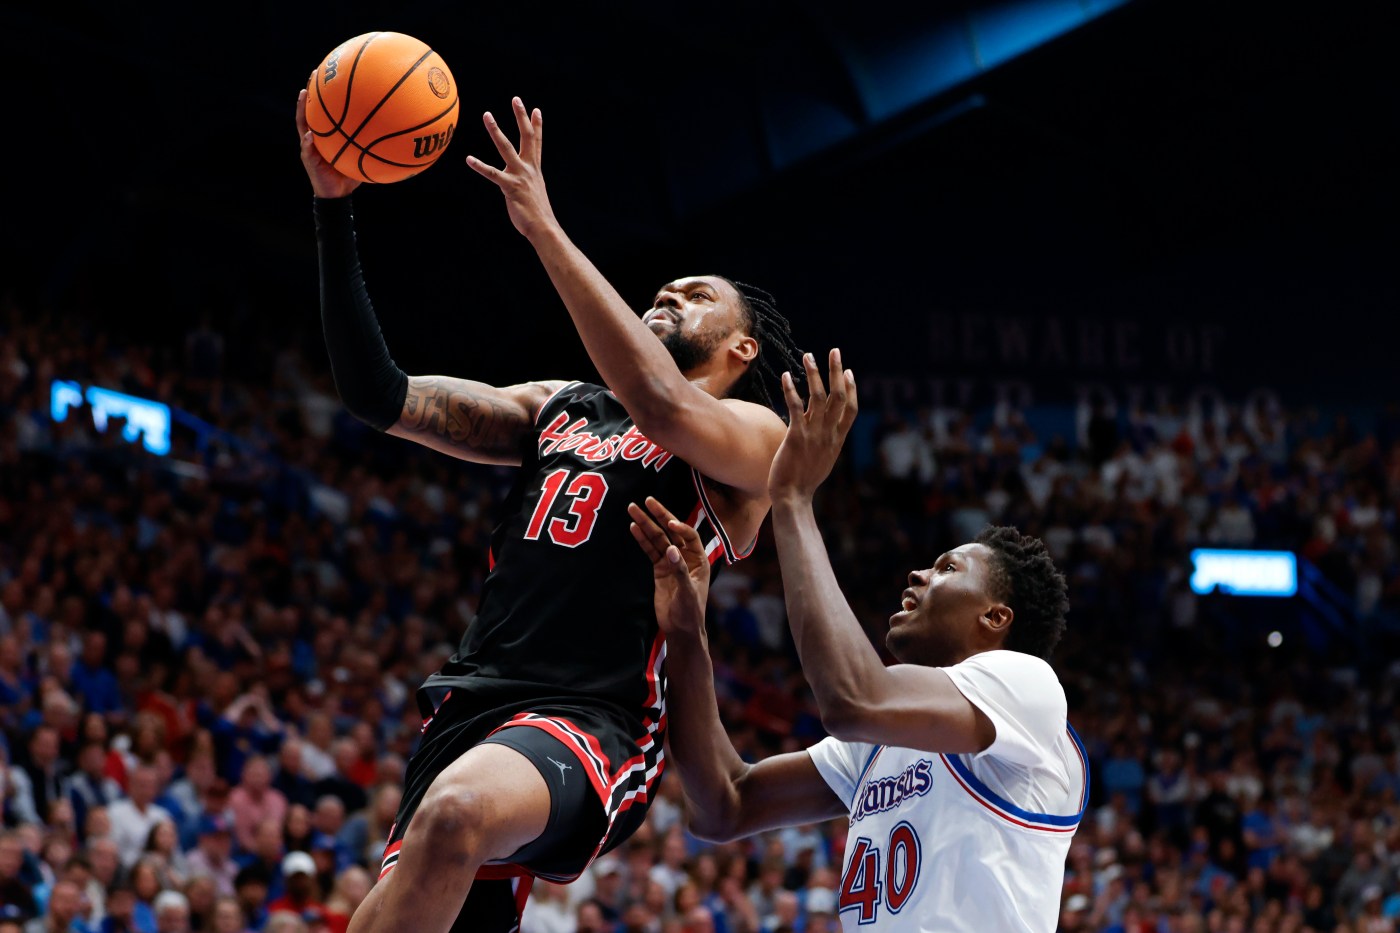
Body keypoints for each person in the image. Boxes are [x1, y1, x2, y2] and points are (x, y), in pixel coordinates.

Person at [294, 89, 802, 933]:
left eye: (697, 295)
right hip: (468, 702)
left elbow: (664, 408)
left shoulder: (755, 436)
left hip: (595, 715)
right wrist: (332, 209)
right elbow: (378, 395)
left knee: (457, 812)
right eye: (667, 287)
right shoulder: (558, 405)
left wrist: (543, 226)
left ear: (742, 348)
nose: (670, 294)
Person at [629, 350, 1087, 932]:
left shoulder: (1026, 685)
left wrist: (792, 500)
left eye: (948, 568)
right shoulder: (877, 743)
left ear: (996, 618)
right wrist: (688, 637)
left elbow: (853, 699)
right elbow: (722, 805)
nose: (919, 574)